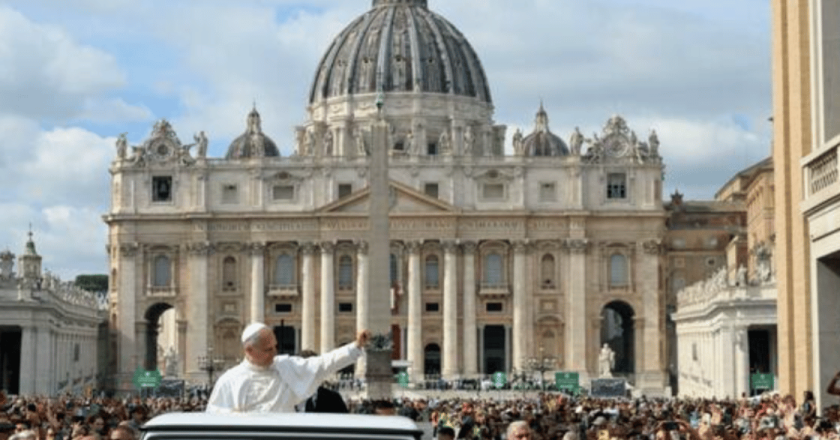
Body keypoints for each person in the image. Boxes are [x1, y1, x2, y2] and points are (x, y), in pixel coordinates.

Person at [206, 322, 370, 413]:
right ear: (249, 350)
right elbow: (216, 421)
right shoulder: (229, 381)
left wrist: (355, 346)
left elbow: (322, 364)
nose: (275, 352)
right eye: (268, 349)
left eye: (275, 346)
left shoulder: (285, 366)